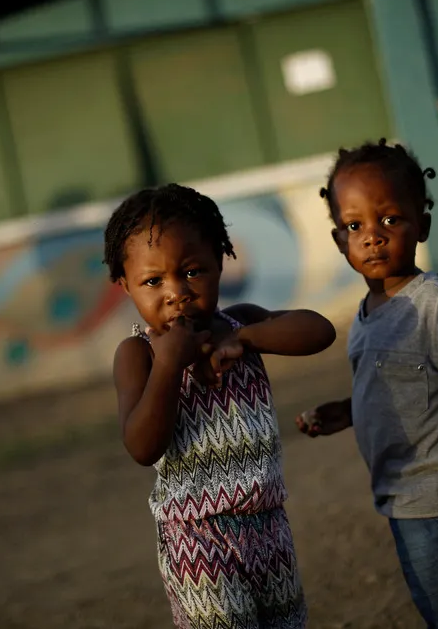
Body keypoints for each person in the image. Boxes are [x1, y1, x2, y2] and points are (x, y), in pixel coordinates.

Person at [296, 140, 438, 628]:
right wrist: (347, 410)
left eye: (391, 220)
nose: (373, 236)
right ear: (339, 241)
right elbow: (389, 390)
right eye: (356, 226)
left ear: (423, 225)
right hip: (404, 500)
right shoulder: (365, 317)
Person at [104, 183, 336, 629]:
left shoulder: (242, 322)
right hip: (197, 538)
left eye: (192, 271)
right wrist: (171, 364)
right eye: (153, 281)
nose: (176, 293)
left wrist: (244, 339)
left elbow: (319, 330)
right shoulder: (139, 356)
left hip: (269, 526)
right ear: (125, 285)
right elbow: (142, 447)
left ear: (220, 262)